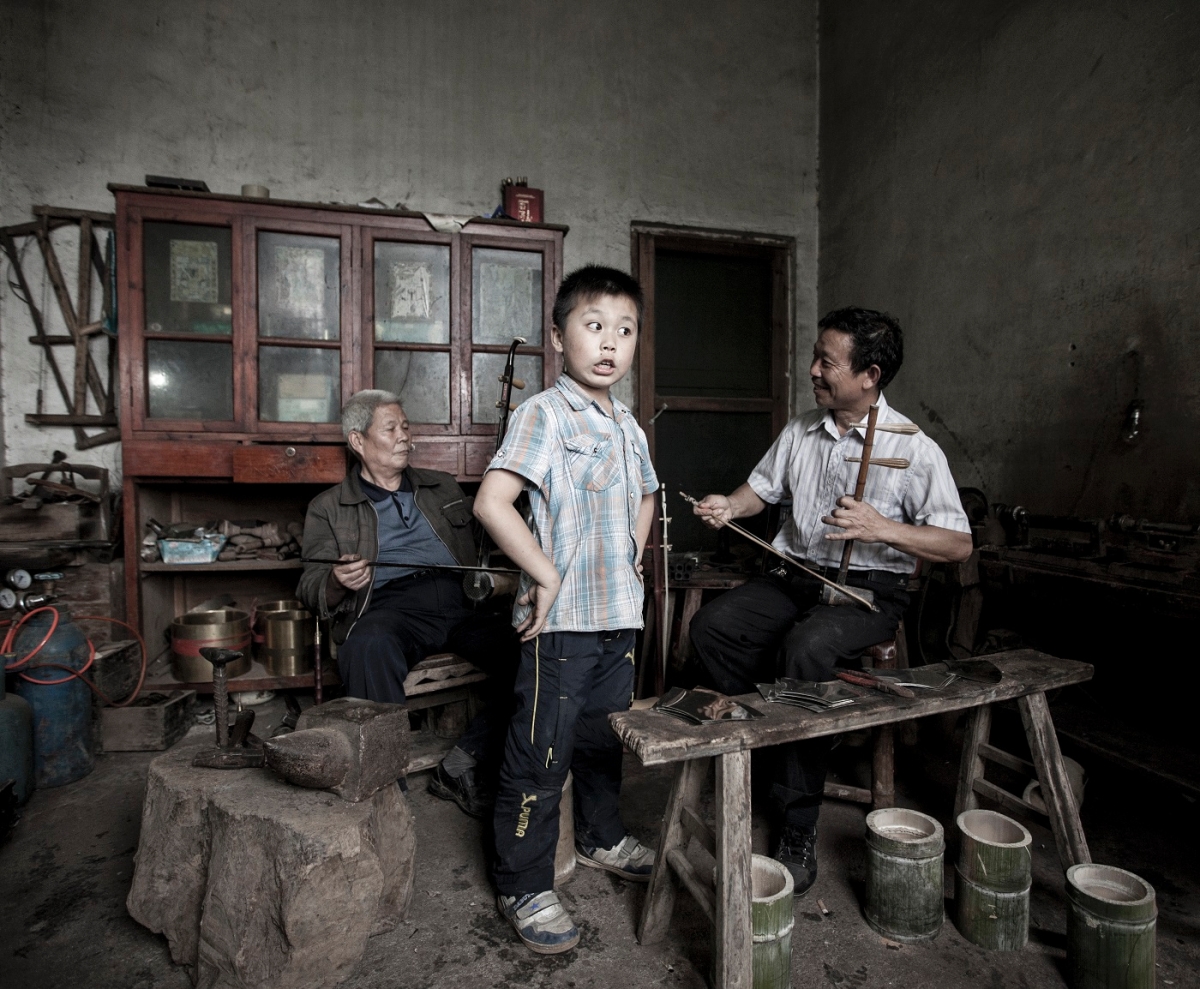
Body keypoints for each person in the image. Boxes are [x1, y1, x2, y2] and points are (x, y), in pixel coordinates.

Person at [689, 307, 972, 897]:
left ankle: (797, 819)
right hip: (795, 578)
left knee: (808, 648)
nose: (813, 369)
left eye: (827, 361)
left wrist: (881, 527)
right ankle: (784, 740)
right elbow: (760, 489)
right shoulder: (801, 430)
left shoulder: (914, 448)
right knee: (713, 626)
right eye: (816, 356)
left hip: (866, 593)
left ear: (870, 375)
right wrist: (729, 506)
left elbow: (957, 543)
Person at [473, 265, 659, 954]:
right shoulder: (544, 414)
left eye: (625, 329)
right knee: (540, 753)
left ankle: (602, 837)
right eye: (594, 325)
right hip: (560, 626)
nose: (610, 342)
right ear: (558, 337)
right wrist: (545, 572)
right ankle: (523, 880)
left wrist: (633, 553)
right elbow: (491, 502)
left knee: (603, 739)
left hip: (618, 616)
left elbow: (647, 493)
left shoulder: (628, 424)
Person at [296, 389, 519, 818]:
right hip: (391, 608)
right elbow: (309, 585)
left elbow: (490, 536)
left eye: (406, 426)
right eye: (390, 429)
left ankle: (462, 763)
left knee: (540, 651)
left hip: (462, 600)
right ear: (358, 441)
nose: (404, 436)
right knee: (365, 647)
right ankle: (387, 794)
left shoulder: (441, 486)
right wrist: (337, 581)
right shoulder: (328, 508)